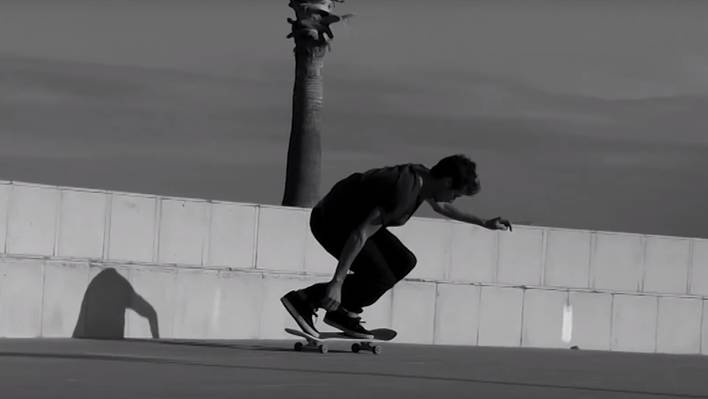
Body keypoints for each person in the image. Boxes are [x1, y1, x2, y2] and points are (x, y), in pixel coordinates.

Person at [281, 154, 512, 339]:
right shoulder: (402, 190)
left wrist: (484, 223)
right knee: (379, 275)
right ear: (446, 181)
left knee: (404, 261)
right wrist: (336, 283)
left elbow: (441, 207)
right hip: (331, 221)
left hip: (353, 220)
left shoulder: (425, 179)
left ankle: (344, 312)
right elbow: (360, 235)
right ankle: (305, 298)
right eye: (455, 194)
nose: (453, 199)